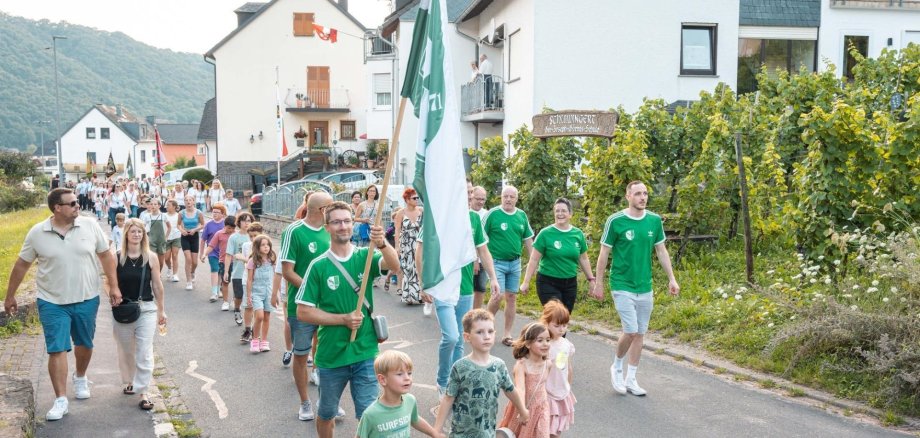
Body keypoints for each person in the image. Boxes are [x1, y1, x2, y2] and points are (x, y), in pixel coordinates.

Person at [4, 188, 121, 421]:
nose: (78, 206)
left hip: (87, 297)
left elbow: (106, 255)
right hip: (51, 300)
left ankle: (80, 377)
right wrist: (10, 296)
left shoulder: (89, 226)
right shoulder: (37, 233)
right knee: (56, 348)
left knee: (84, 344)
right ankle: (60, 399)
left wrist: (114, 286)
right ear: (57, 208)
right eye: (73, 203)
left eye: (77, 202)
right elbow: (21, 265)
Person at [296, 201, 399, 438]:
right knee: (326, 414)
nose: (343, 226)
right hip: (332, 357)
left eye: (347, 221)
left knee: (369, 415)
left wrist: (383, 244)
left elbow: (395, 265)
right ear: (327, 227)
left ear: (353, 224)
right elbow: (303, 312)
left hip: (365, 352)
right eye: (337, 222)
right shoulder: (318, 266)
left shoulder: (366, 255)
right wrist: (342, 319)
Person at [590, 181, 680, 396]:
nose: (643, 197)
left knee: (640, 333)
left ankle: (631, 378)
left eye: (645, 193)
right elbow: (604, 253)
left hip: (644, 285)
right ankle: (617, 367)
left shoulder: (654, 221)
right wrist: (599, 282)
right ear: (628, 196)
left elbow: (661, 251)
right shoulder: (616, 221)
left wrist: (672, 279)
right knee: (630, 330)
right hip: (621, 283)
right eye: (638, 193)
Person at [417, 206, 501, 398]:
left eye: (469, 191)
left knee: (461, 339)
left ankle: (456, 381)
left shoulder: (473, 218)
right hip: (442, 287)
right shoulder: (437, 213)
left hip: (464, 288)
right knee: (451, 337)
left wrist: (493, 278)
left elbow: (483, 250)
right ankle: (442, 380)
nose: (467, 195)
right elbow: (420, 251)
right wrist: (423, 283)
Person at [280, 191, 334, 421]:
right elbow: (287, 271)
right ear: (322, 210)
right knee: (301, 357)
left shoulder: (330, 231)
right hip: (301, 307)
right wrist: (312, 290)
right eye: (331, 208)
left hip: (327, 306)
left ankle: (326, 403)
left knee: (326, 356)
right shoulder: (294, 231)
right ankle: (304, 403)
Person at [433, 309, 529, 436]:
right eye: (479, 332)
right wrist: (436, 430)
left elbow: (510, 390)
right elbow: (448, 399)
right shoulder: (460, 366)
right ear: (467, 337)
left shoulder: (498, 365)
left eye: (490, 331)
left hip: (487, 433)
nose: (487, 336)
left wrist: (522, 410)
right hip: (461, 434)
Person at [113, 218, 167, 411]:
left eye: (140, 232)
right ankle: (129, 381)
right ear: (126, 233)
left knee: (144, 350)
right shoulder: (117, 257)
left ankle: (144, 391)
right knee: (126, 349)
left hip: (146, 308)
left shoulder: (150, 257)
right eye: (133, 231)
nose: (137, 235)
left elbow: (157, 285)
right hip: (123, 309)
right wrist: (113, 294)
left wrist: (162, 310)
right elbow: (108, 282)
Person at [520, 198, 595, 313]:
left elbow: (583, 258)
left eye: (564, 211)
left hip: (570, 283)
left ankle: (545, 330)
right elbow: (534, 259)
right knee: (555, 316)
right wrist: (526, 282)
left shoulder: (578, 234)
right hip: (548, 282)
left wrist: (591, 279)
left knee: (564, 320)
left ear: (570, 214)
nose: (560, 214)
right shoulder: (545, 233)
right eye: (557, 211)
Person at [485, 185, 535, 347]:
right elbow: (480, 238)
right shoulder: (492, 214)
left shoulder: (521, 216)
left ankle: (507, 334)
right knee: (497, 296)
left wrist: (534, 262)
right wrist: (478, 260)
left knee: (511, 298)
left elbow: (528, 240)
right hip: (496, 262)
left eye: (511, 197)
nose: (508, 199)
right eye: (505, 196)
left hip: (515, 263)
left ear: (516, 199)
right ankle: (485, 328)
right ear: (501, 197)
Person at [356, 350, 442, 438]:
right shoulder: (370, 414)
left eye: (409, 373)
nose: (407, 378)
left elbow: (415, 419)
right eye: (400, 374)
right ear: (382, 379)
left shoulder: (410, 400)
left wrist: (433, 433)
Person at [498, 322, 551, 438]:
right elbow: (520, 389)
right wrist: (522, 410)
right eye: (540, 340)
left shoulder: (548, 364)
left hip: (541, 409)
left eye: (548, 340)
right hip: (523, 407)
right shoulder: (521, 365)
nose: (545, 344)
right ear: (527, 344)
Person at [540, 301, 576, 437]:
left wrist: (568, 386)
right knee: (543, 429)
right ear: (546, 323)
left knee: (556, 429)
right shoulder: (544, 346)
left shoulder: (567, 345)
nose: (561, 329)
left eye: (565, 325)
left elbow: (568, 367)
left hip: (561, 391)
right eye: (557, 325)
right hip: (546, 393)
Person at [246, 234, 276, 353]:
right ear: (257, 247)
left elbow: (276, 277)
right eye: (263, 245)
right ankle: (255, 341)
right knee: (259, 316)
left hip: (269, 292)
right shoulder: (252, 261)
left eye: (267, 245)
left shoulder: (271, 260)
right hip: (256, 292)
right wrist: (249, 295)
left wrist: (276, 293)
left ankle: (264, 341)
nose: (266, 247)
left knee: (267, 317)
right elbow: (249, 280)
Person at [393, 187, 423, 305]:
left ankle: (420, 294)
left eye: (417, 197)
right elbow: (397, 230)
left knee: (418, 268)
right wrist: (397, 246)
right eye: (414, 198)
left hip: (419, 243)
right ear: (407, 199)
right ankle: (408, 296)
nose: (416, 200)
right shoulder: (401, 213)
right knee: (408, 268)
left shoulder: (421, 210)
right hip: (406, 244)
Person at [226, 212, 255, 330]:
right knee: (239, 296)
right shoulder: (234, 237)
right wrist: (226, 271)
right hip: (238, 273)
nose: (246, 223)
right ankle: (237, 310)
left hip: (252, 274)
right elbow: (228, 255)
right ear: (239, 223)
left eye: (249, 220)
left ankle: (250, 324)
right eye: (244, 221)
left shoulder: (254, 236)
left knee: (252, 299)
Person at [203, 215, 235, 311]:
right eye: (229, 228)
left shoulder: (236, 235)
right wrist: (204, 254)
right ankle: (225, 302)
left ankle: (234, 300)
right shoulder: (219, 234)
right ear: (225, 226)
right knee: (225, 282)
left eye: (233, 228)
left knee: (236, 283)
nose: (231, 230)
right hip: (223, 261)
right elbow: (211, 246)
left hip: (237, 262)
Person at [140, 198, 174, 282]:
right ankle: (153, 275)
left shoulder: (163, 216)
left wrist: (166, 237)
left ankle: (159, 273)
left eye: (155, 204)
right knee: (152, 259)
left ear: (159, 206)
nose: (153, 206)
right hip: (151, 241)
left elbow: (169, 227)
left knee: (161, 261)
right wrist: (146, 237)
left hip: (161, 241)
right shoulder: (147, 216)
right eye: (151, 204)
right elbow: (142, 228)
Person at [178, 196, 205, 290]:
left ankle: (192, 272)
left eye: (190, 200)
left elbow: (203, 224)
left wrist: (195, 229)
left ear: (193, 201)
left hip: (194, 236)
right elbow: (178, 225)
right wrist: (182, 230)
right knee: (188, 259)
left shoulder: (199, 213)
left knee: (194, 262)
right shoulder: (181, 213)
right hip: (185, 236)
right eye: (186, 200)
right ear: (184, 202)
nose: (188, 202)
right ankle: (188, 282)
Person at [201, 204, 227, 303]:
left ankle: (219, 289)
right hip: (212, 251)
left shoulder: (226, 224)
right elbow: (203, 240)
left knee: (221, 271)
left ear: (223, 214)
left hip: (223, 252)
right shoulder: (208, 224)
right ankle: (214, 293)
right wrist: (202, 253)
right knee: (214, 270)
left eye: (217, 212)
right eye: (213, 212)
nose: (214, 214)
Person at [469, 185, 490, 309]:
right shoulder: (466, 214)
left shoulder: (487, 214)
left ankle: (475, 314)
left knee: (480, 288)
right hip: (469, 259)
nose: (481, 202)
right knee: (467, 288)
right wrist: (475, 259)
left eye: (483, 199)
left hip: (483, 258)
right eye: (478, 199)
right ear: (471, 197)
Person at [163, 200, 182, 282]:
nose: (166, 206)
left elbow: (181, 226)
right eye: (167, 205)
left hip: (176, 237)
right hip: (166, 238)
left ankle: (175, 275)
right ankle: (169, 267)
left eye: (168, 205)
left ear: (174, 206)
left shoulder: (179, 215)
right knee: (166, 258)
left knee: (174, 255)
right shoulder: (163, 215)